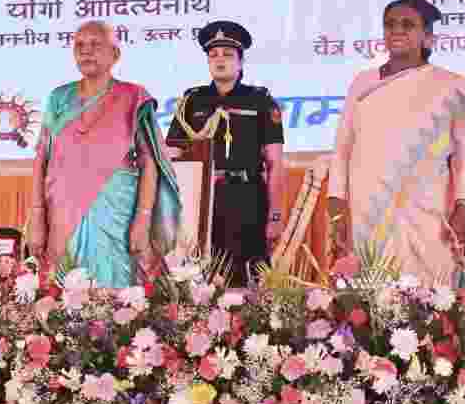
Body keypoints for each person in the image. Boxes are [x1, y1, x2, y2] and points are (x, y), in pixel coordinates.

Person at [327, 0, 465, 285]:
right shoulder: (362, 82)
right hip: (369, 203)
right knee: (370, 293)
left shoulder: (450, 86)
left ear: (428, 37)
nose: (397, 31)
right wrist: (336, 204)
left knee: (430, 296)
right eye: (390, 24)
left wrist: (462, 204)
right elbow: (343, 147)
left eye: (408, 25)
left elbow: (464, 153)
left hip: (427, 205)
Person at [27, 21, 180, 286]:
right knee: (62, 302)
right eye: (79, 46)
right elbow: (42, 159)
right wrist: (38, 218)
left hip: (115, 214)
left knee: (115, 304)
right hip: (62, 216)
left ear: (115, 55)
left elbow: (150, 163)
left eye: (96, 45)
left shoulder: (134, 97)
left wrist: (142, 219)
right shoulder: (58, 98)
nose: (86, 52)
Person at [166, 21, 285, 287]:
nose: (220, 60)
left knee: (248, 278)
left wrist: (276, 215)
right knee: (199, 278)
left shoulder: (260, 100)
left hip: (247, 198)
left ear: (241, 62)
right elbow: (172, 151)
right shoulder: (191, 101)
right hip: (201, 200)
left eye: (228, 55)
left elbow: (276, 164)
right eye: (213, 55)